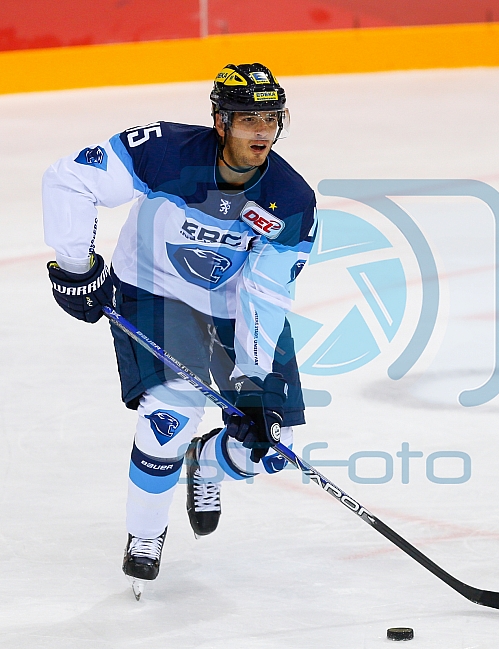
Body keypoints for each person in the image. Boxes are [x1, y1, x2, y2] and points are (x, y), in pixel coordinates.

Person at [42, 63, 316, 589]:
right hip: (155, 289)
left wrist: (254, 381)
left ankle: (208, 461)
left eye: (271, 119)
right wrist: (76, 268)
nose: (262, 132)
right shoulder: (163, 150)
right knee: (172, 412)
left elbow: (266, 291)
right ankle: (145, 537)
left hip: (234, 307)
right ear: (220, 121)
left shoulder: (292, 200)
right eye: (248, 119)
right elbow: (69, 179)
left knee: (264, 446)